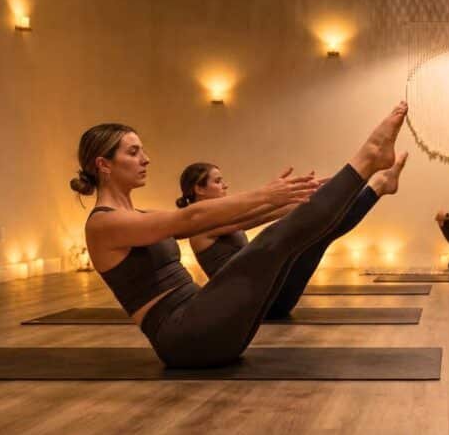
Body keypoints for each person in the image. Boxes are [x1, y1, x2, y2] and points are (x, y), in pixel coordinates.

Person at [71, 102, 407, 367]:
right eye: (133, 152)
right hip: (184, 338)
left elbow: (228, 217)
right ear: (104, 164)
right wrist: (266, 195)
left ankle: (368, 171)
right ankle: (369, 159)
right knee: (275, 241)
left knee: (291, 239)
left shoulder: (137, 216)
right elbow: (191, 217)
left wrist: (290, 198)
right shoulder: (103, 224)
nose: (145, 159)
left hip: (205, 323)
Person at [178, 153, 409, 318]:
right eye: (218, 182)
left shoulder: (218, 217)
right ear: (199, 189)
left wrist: (311, 197)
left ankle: (378, 187)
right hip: (256, 308)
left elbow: (264, 214)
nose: (224, 185)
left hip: (265, 296)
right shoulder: (200, 225)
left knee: (317, 229)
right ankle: (378, 186)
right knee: (316, 235)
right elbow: (249, 217)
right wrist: (307, 199)